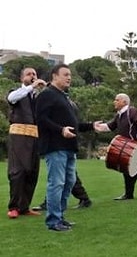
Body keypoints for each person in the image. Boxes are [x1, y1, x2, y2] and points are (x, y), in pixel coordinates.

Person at [35, 63, 95, 231]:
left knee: (69, 182)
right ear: (54, 76)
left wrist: (92, 126)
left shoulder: (64, 97)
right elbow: (41, 120)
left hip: (69, 147)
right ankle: (53, 221)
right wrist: (60, 130)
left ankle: (60, 217)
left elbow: (74, 125)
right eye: (65, 74)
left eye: (70, 75)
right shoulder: (46, 95)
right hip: (55, 147)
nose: (69, 77)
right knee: (57, 183)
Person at [6, 67, 46, 219]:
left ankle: (24, 207)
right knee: (18, 171)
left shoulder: (36, 96)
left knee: (32, 171)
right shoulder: (16, 92)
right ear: (21, 78)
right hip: (19, 137)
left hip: (34, 137)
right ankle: (14, 206)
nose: (32, 76)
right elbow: (11, 99)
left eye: (35, 74)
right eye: (29, 74)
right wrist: (32, 87)